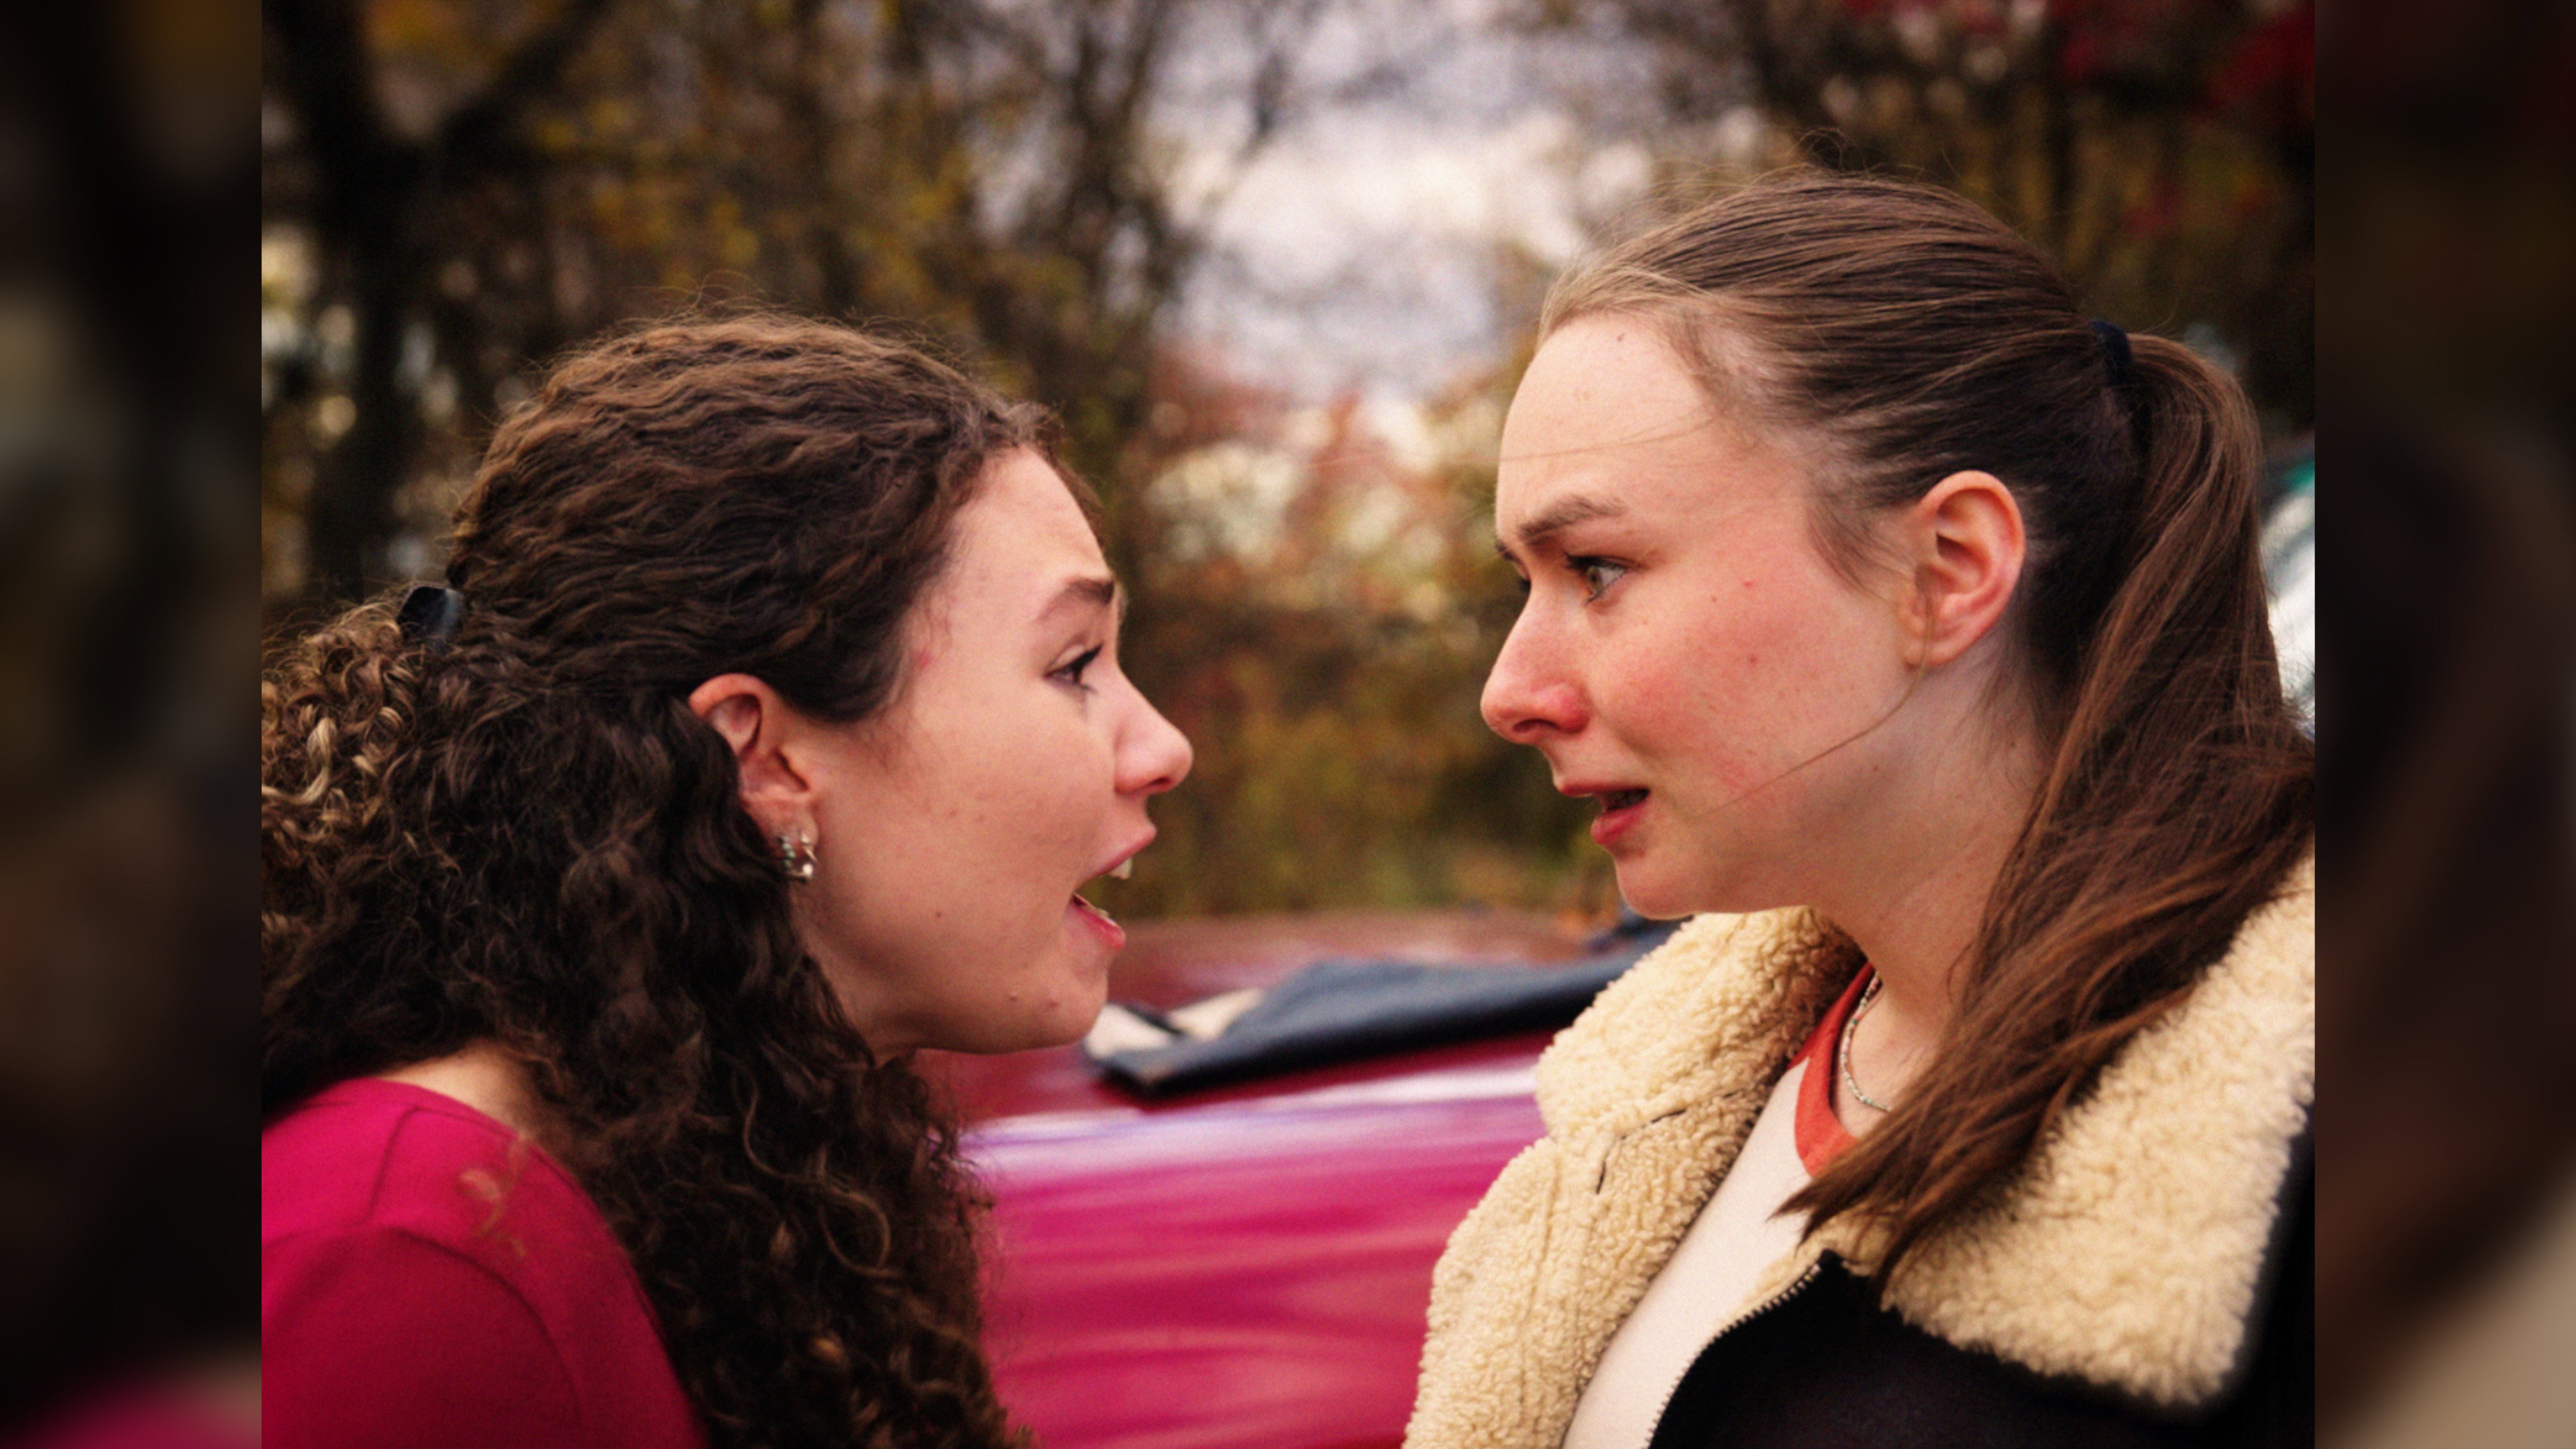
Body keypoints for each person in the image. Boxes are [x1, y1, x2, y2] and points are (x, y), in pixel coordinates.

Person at [1407, 174, 2312, 1447]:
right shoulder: (1668, 1103)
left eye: (1597, 570)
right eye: (1526, 580)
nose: (1510, 692)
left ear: (1945, 572)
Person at [261, 315, 1191, 1449]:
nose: (1163, 749)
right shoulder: (403, 1266)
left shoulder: (735, 1152)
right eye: (1074, 665)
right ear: (762, 756)